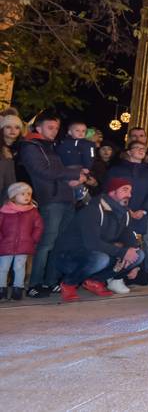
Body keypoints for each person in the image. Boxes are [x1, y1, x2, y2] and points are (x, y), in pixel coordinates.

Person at [17, 112, 87, 297]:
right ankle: (34, 284)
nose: (54, 131)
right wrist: (73, 174)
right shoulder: (31, 146)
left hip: (66, 198)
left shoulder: (52, 146)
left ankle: (51, 280)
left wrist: (76, 176)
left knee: (59, 243)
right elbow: (43, 171)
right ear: (38, 128)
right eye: (50, 127)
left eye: (56, 128)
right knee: (46, 243)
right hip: (51, 200)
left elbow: (59, 170)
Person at [54, 178, 145, 301]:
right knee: (101, 259)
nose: (129, 195)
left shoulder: (124, 213)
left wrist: (132, 253)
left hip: (97, 253)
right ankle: (69, 283)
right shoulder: (92, 210)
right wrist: (123, 252)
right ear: (112, 192)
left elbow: (128, 235)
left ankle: (95, 281)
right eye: (125, 190)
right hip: (69, 257)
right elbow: (92, 243)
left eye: (130, 191)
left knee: (139, 255)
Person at [105, 141, 148, 274]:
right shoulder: (116, 170)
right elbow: (109, 191)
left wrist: (143, 210)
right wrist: (125, 209)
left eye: (143, 148)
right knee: (119, 242)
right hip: (119, 213)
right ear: (129, 152)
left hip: (140, 215)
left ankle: (137, 272)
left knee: (138, 243)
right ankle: (114, 274)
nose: (141, 150)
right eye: (137, 148)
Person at [0, 182, 44, 300]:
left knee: (19, 268)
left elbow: (38, 226)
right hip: (5, 245)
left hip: (24, 245)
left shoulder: (32, 211)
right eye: (23, 194)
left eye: (29, 194)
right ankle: (1, 289)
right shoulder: (4, 211)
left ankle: (18, 290)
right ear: (13, 196)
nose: (27, 196)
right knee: (3, 268)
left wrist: (33, 239)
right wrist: (1, 239)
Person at [56, 121, 94, 205]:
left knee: (75, 181)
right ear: (70, 132)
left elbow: (90, 156)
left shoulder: (87, 144)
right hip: (64, 167)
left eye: (83, 131)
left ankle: (85, 197)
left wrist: (87, 167)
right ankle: (75, 198)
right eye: (77, 130)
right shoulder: (63, 142)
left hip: (78, 167)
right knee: (68, 183)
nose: (81, 133)